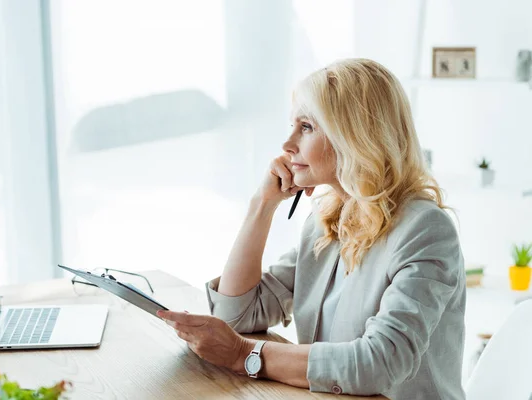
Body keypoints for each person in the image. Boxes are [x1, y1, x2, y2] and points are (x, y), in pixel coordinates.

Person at [158, 58, 466, 400]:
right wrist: (262, 205)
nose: (288, 144)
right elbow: (237, 315)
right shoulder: (329, 219)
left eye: (306, 127)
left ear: (354, 135)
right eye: (293, 125)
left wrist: (243, 354)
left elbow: (379, 362)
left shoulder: (424, 230)